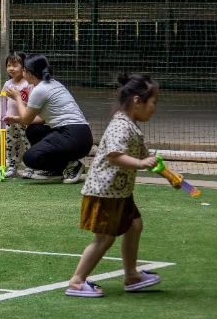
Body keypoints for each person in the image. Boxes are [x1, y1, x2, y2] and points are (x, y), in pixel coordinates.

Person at [65, 73, 162, 297]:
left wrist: (168, 175)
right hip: (104, 191)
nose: (154, 108)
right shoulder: (120, 125)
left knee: (134, 226)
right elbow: (114, 155)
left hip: (120, 192)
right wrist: (141, 163)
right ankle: (77, 281)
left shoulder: (131, 125)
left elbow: (145, 157)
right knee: (105, 238)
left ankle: (132, 276)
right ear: (137, 101)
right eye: (153, 102)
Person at [5, 54, 93, 183]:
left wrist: (17, 97)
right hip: (82, 135)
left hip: (72, 136)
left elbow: (26, 120)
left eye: (24, 70)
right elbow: (40, 120)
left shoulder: (40, 90)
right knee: (34, 130)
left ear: (30, 73)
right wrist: (15, 119)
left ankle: (73, 164)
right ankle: (56, 170)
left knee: (30, 158)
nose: (22, 72)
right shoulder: (53, 83)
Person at [1, 51, 38, 178]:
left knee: (27, 143)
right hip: (9, 120)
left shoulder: (28, 84)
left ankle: (30, 167)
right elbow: (3, 99)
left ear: (24, 67)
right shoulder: (7, 84)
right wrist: (2, 115)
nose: (11, 68)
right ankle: (12, 166)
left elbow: (32, 103)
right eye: (8, 65)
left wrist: (18, 98)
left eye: (15, 65)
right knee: (11, 144)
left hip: (24, 120)